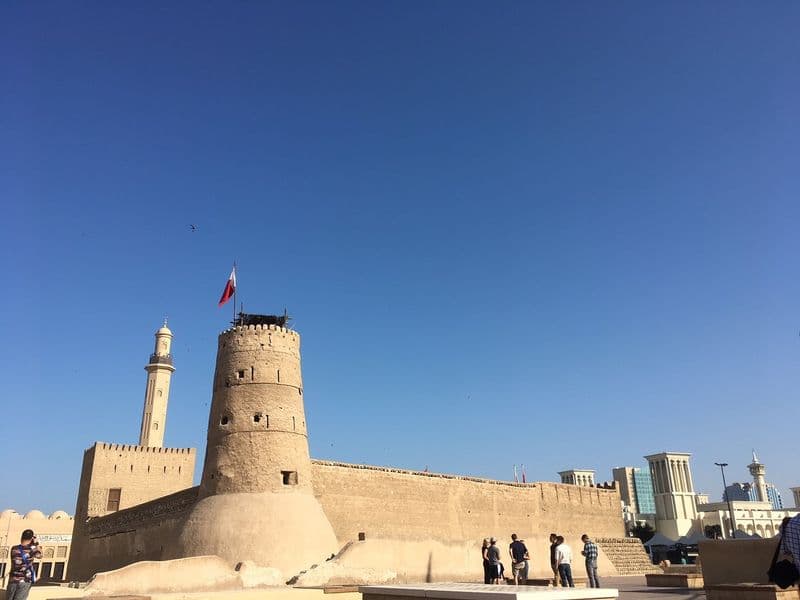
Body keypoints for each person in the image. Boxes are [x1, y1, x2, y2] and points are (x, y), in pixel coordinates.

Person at [6, 529, 42, 600]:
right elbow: (40, 555)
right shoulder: (33, 549)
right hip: (25, 581)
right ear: (31, 539)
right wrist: (36, 544)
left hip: (12, 580)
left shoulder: (14, 548)